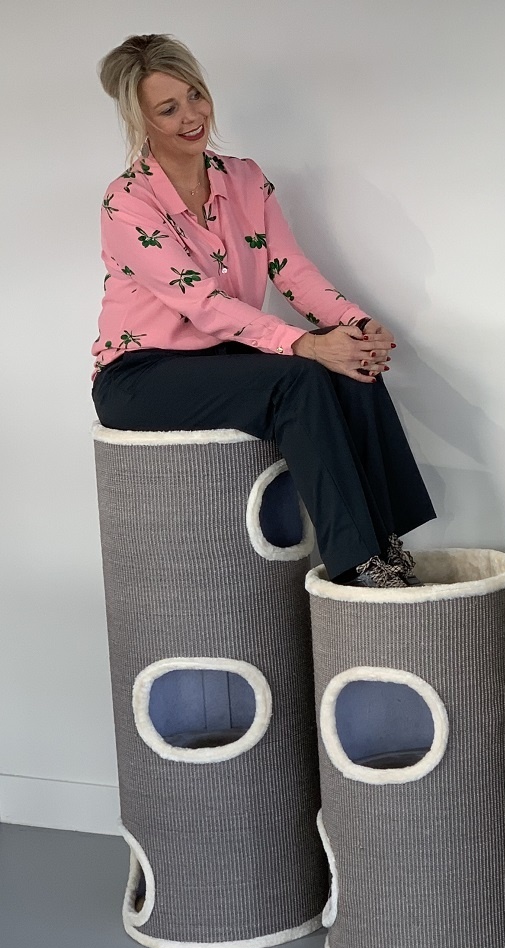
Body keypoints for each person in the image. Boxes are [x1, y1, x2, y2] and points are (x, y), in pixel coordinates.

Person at [92, 34, 435, 588]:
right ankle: (357, 566)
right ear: (142, 121)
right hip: (139, 375)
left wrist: (354, 325)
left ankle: (385, 543)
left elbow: (291, 270)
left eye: (195, 95)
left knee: (348, 364)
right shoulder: (128, 201)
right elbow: (202, 303)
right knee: (301, 376)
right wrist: (305, 344)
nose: (191, 116)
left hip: (222, 358)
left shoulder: (245, 178)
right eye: (168, 108)